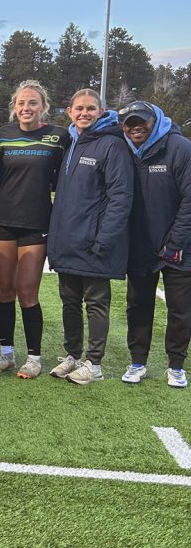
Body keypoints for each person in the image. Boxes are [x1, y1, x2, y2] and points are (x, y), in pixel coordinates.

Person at [47, 89, 133, 385]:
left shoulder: (111, 145)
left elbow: (121, 197)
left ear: (101, 111)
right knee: (69, 301)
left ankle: (94, 363)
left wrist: (104, 238)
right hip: (68, 240)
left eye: (91, 109)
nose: (84, 113)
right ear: (69, 111)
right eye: (79, 108)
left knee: (96, 302)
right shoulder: (72, 142)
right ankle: (73, 354)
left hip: (94, 242)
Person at [0, 81, 69, 379]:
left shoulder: (59, 136)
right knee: (4, 290)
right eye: (21, 103)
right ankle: (6, 353)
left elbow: (65, 178)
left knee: (27, 292)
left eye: (32, 103)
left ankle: (34, 357)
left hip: (37, 222)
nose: (26, 108)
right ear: (14, 106)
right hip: (3, 219)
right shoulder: (4, 135)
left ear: (43, 106)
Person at [118, 101, 191, 388]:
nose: (135, 127)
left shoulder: (180, 147)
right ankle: (138, 361)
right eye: (129, 123)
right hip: (139, 246)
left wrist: (176, 241)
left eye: (141, 121)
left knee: (180, 308)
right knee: (137, 305)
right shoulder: (122, 148)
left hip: (179, 247)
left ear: (155, 120)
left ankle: (176, 364)